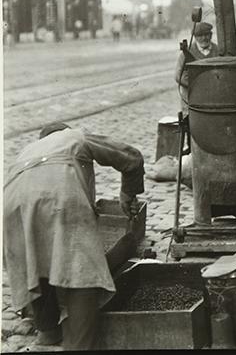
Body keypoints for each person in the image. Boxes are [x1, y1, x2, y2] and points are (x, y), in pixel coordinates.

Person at [3, 122, 145, 350]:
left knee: (35, 262)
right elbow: (132, 157)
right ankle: (79, 345)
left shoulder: (27, 150)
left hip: (10, 204)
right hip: (59, 197)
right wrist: (128, 193)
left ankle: (47, 330)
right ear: (65, 131)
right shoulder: (75, 136)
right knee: (82, 272)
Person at [175, 21, 218, 112]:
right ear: (195, 37)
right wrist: (200, 86)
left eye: (206, 34)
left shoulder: (218, 51)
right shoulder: (187, 53)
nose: (204, 38)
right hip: (191, 100)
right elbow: (179, 76)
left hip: (214, 100)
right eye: (200, 36)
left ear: (211, 35)